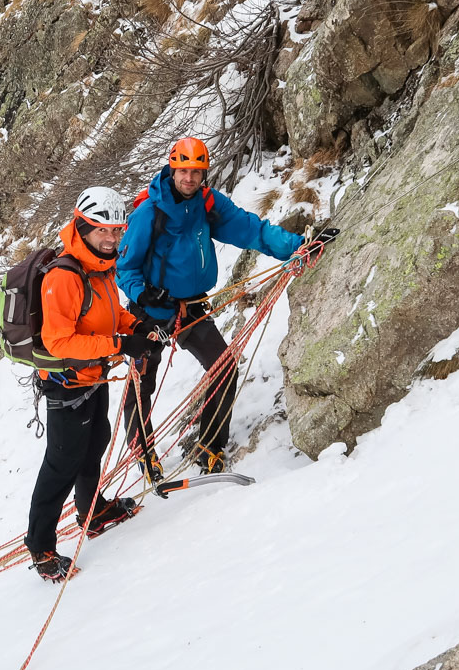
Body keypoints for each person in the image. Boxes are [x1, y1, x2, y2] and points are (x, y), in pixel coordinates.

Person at [117, 137, 315, 478]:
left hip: (192, 308)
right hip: (151, 311)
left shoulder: (207, 204)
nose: (189, 179)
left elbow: (251, 230)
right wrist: (146, 295)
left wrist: (299, 245)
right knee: (141, 382)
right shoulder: (149, 213)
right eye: (183, 171)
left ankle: (210, 444)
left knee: (223, 368)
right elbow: (125, 267)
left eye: (196, 172)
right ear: (172, 169)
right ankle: (142, 449)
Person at [25, 186, 162, 582]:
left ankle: (91, 511)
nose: (113, 239)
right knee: (61, 463)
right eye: (104, 231)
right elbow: (59, 341)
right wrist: (121, 344)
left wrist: (137, 326)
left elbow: (109, 313)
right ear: (83, 227)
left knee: (95, 443)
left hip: (94, 376)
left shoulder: (100, 267)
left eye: (118, 231)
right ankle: (41, 547)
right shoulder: (64, 276)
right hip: (67, 384)